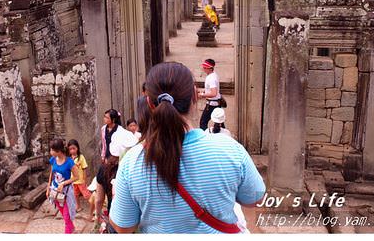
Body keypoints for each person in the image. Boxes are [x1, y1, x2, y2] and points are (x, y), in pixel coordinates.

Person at [108, 62, 266, 233]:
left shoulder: (132, 163)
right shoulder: (229, 149)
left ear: (149, 103)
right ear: (195, 96)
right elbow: (254, 199)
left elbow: (124, 227)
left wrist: (117, 194)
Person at [95, 129, 138, 233]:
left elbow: (99, 199)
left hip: (115, 217)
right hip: (135, 221)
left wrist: (98, 216)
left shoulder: (103, 169)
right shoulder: (136, 168)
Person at [46, 138, 79, 234]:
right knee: (65, 216)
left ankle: (68, 231)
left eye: (52, 150)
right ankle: (72, 228)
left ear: (58, 151)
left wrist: (64, 183)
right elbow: (51, 173)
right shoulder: (53, 160)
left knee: (66, 216)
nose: (50, 152)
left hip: (66, 192)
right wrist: (48, 188)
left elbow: (77, 177)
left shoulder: (69, 162)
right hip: (55, 191)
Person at [67, 139, 91, 212]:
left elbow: (84, 168)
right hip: (73, 181)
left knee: (86, 194)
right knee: (75, 195)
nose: (72, 151)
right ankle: (78, 206)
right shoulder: (69, 159)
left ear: (77, 148)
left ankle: (94, 206)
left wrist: (85, 179)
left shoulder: (81, 157)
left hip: (81, 180)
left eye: (74, 148)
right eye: (70, 149)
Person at [197, 59, 222, 131]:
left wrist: (202, 95)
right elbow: (211, 89)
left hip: (212, 104)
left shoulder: (211, 78)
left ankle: (206, 138)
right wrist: (203, 91)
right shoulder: (213, 74)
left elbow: (214, 93)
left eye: (205, 68)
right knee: (219, 121)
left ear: (210, 68)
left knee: (203, 122)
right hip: (217, 102)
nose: (203, 69)